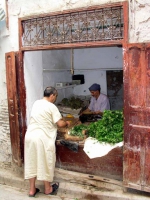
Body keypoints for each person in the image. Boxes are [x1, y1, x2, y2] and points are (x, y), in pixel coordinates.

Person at [24, 86, 71, 197]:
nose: (55, 99)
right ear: (52, 95)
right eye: (55, 96)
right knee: (45, 161)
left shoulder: (36, 103)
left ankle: (32, 190)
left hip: (30, 136)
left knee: (32, 161)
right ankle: (48, 188)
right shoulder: (51, 106)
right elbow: (60, 124)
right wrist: (67, 123)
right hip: (42, 138)